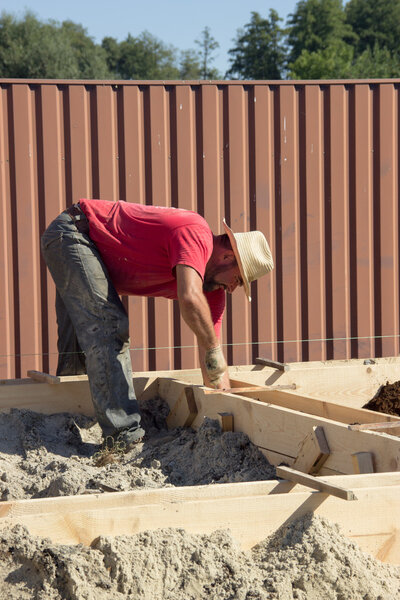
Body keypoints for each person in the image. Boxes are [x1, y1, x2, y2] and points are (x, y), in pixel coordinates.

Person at [41, 199, 274, 448]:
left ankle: (71, 409)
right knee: (107, 325)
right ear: (228, 256)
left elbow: (212, 353)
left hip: (90, 249)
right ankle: (123, 438)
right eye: (238, 280)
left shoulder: (211, 290)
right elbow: (189, 298)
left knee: (83, 328)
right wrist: (213, 350)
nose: (231, 289)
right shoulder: (195, 232)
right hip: (76, 233)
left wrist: (225, 403)